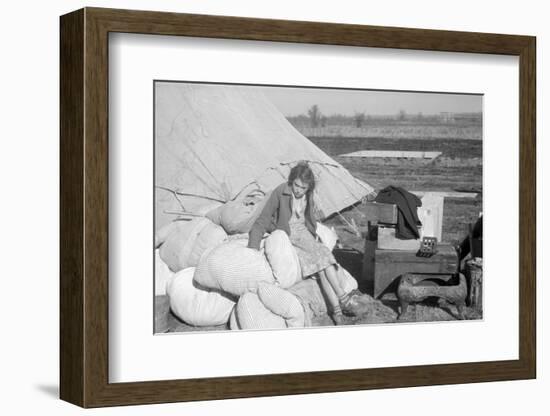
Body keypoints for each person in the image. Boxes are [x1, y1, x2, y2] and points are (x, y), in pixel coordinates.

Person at [248, 161, 368, 325]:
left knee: (322, 265)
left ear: (308, 187)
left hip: (306, 235)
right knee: (323, 261)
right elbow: (262, 220)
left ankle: (337, 311)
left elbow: (309, 220)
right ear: (292, 181)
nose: (298, 190)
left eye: (303, 188)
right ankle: (343, 298)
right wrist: (253, 248)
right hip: (291, 235)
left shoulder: (308, 195)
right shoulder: (281, 191)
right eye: (296, 185)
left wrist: (314, 235)